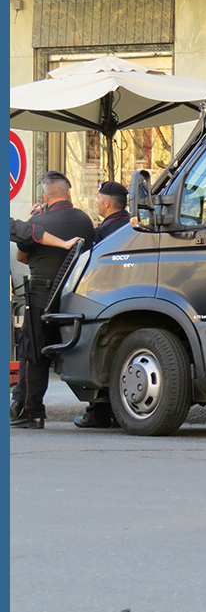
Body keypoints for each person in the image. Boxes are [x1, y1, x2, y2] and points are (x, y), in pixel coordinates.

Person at [11, 171, 95, 429]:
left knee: (32, 352)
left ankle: (30, 411)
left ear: (45, 197)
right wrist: (65, 243)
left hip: (40, 295)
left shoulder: (39, 219)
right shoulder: (85, 220)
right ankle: (100, 408)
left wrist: (38, 217)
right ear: (69, 192)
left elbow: (22, 255)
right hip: (78, 295)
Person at [70, 181, 131, 428]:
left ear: (107, 203)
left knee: (98, 355)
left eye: (98, 199)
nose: (96, 203)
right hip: (130, 300)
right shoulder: (131, 226)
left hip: (103, 300)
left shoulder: (104, 232)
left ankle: (98, 412)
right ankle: (119, 411)